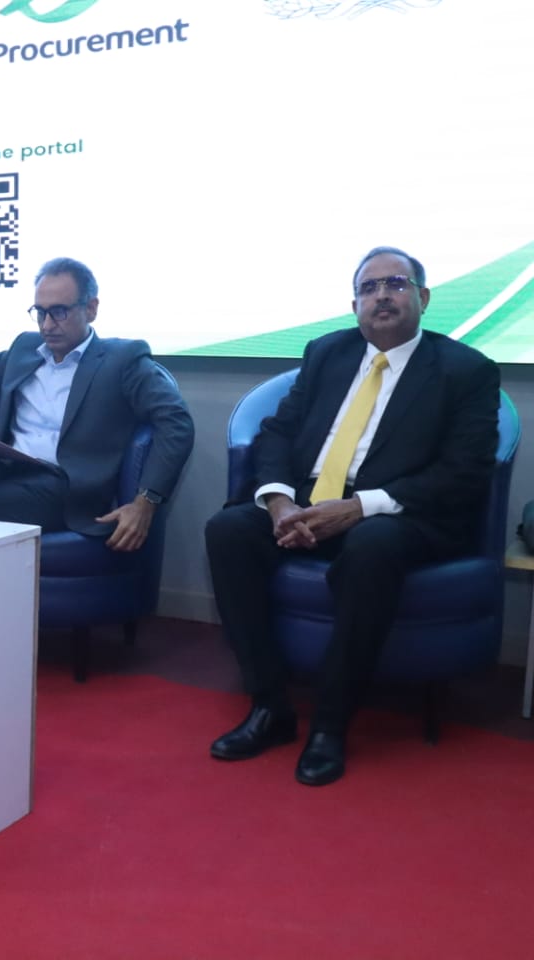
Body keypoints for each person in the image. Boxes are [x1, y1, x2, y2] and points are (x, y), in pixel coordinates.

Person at [205, 246, 500, 786]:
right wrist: (279, 502)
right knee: (228, 531)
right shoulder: (327, 353)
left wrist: (359, 507)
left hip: (397, 514)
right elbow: (278, 432)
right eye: (369, 288)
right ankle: (270, 706)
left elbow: (464, 472)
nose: (382, 296)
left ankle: (330, 725)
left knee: (372, 546)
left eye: (396, 284)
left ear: (423, 297)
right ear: (354, 304)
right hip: (307, 501)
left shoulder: (466, 371)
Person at [0, 257, 193, 548]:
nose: (47, 325)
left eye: (59, 312)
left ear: (91, 309)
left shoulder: (122, 360)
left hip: (65, 487)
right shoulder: (25, 349)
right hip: (8, 466)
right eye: (40, 313)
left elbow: (176, 421)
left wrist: (146, 500)